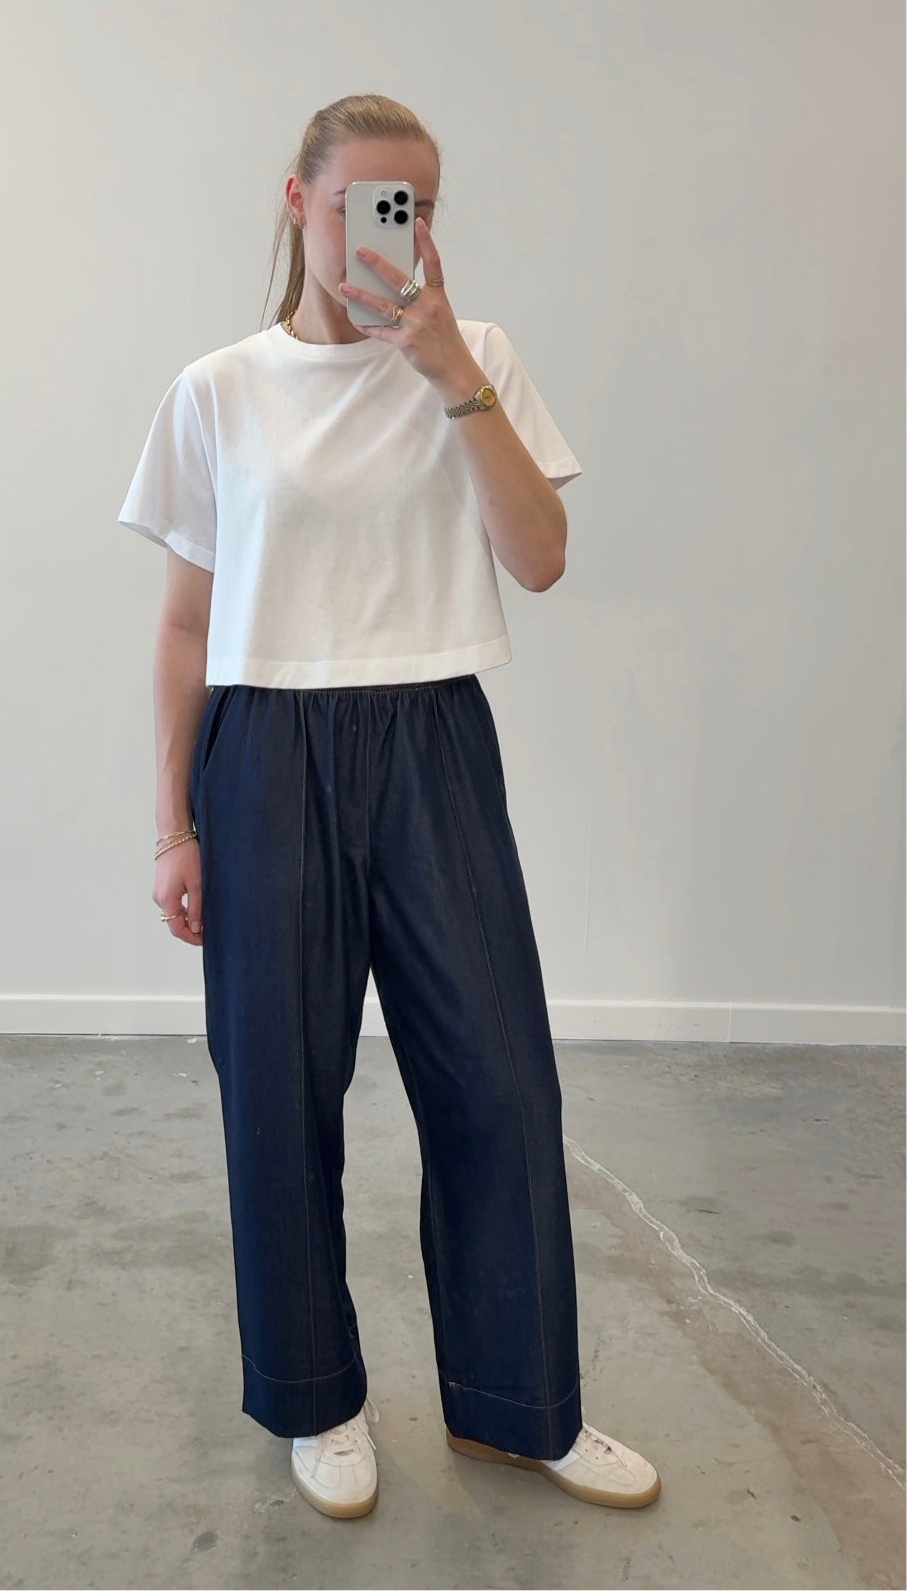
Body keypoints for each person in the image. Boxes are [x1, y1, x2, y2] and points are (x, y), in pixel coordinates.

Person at [117, 93, 661, 1521]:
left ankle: (519, 1404)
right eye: (367, 199)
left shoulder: (475, 358)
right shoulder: (218, 389)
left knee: (499, 1078)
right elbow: (185, 626)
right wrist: (172, 824)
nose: (391, 231)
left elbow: (537, 560)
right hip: (266, 745)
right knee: (279, 1090)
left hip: (432, 737)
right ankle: (317, 1398)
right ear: (297, 204)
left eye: (414, 205)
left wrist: (445, 377)